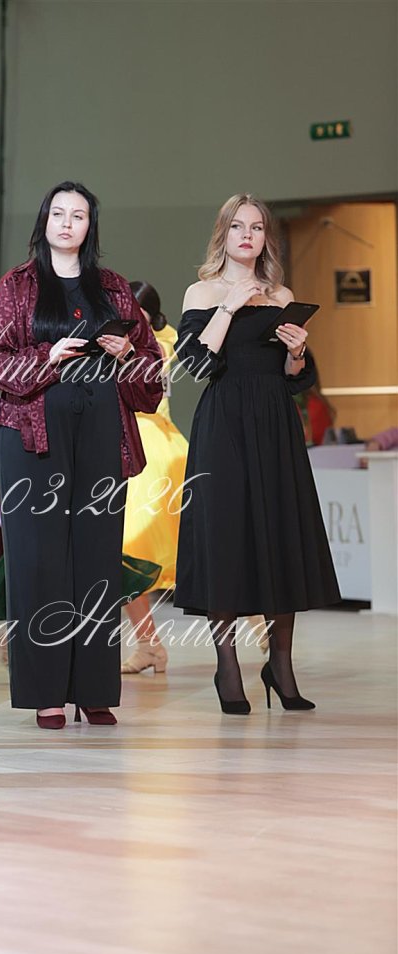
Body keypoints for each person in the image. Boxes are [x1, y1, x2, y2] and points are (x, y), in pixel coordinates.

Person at [0, 181, 162, 729]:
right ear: (45, 221)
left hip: (102, 432)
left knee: (97, 557)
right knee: (38, 561)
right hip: (33, 436)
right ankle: (46, 692)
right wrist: (47, 355)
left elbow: (152, 373)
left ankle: (94, 688)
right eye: (58, 213)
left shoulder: (114, 288)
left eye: (78, 216)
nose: (66, 223)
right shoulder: (16, 286)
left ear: (89, 226)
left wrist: (127, 353)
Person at [173, 193, 340, 714]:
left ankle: (280, 666)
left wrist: (296, 351)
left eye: (258, 227)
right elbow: (196, 365)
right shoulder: (202, 291)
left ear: (267, 238)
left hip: (274, 424)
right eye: (238, 226)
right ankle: (227, 667)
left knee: (280, 535)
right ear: (223, 234)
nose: (248, 235)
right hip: (223, 425)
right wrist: (229, 306)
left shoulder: (281, 294)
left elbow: (294, 380)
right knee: (226, 538)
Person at [121, 282, 189, 674]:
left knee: (137, 551)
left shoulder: (157, 344)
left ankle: (257, 620)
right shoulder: (134, 340)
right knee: (128, 555)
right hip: (139, 447)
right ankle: (149, 645)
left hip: (151, 452)